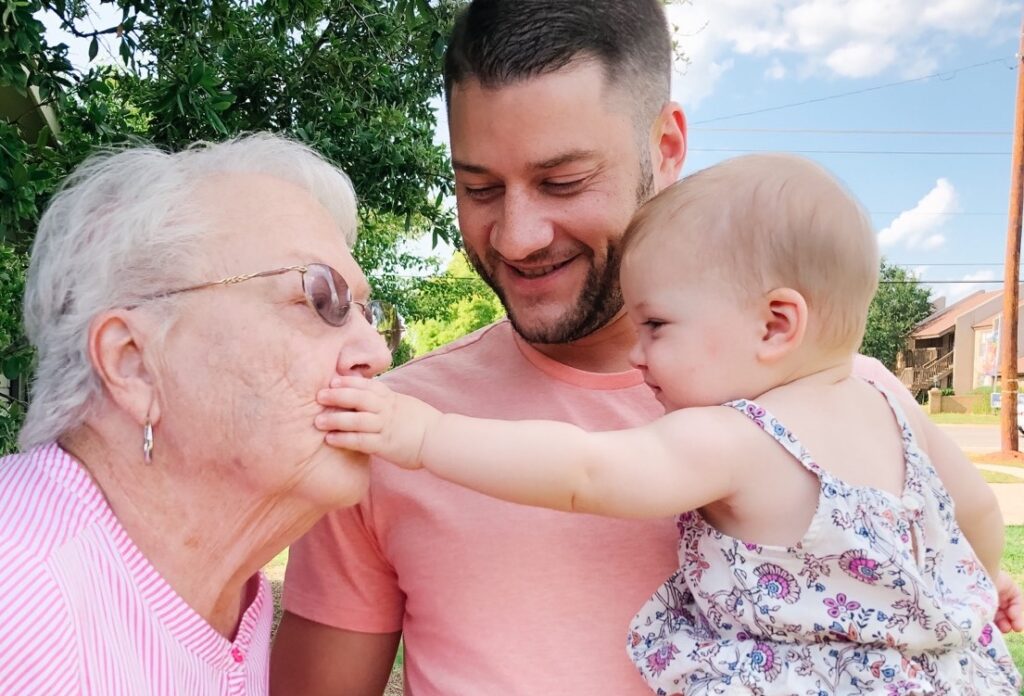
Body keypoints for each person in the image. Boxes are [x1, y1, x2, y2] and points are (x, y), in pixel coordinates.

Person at [271, 2, 939, 694]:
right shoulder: (375, 428)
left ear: (666, 148)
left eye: (563, 182)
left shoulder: (855, 400)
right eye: (480, 188)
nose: (517, 237)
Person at [317, 154, 1024, 695]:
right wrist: (984, 585)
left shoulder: (738, 437)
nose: (637, 351)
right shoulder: (890, 405)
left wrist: (422, 435)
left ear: (775, 324)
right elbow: (977, 512)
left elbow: (585, 471)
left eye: (655, 325)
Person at [0, 133, 393, 694]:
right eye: (320, 299)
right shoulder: (17, 596)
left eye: (369, 314)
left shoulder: (223, 595)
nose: (377, 353)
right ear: (134, 363)